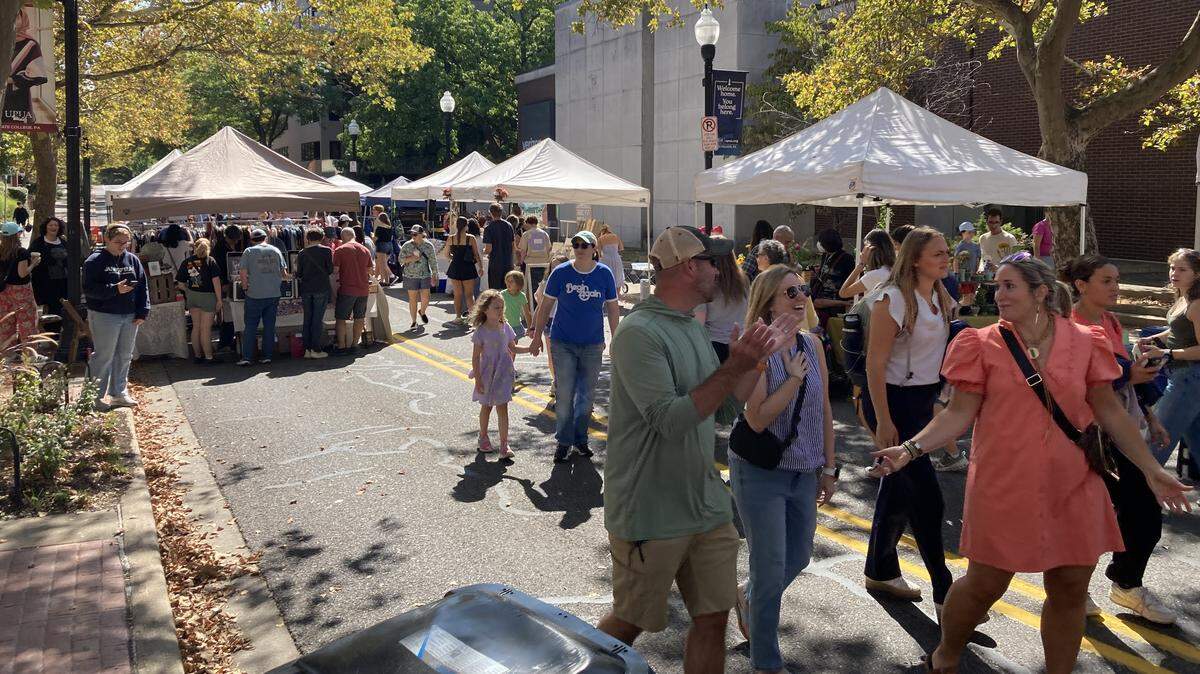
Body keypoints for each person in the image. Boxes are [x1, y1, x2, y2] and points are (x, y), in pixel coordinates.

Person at [871, 255, 1192, 674]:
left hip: (1075, 481)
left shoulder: (1086, 340)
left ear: (1040, 292)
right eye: (998, 286)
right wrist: (910, 449)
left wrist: (1152, 469)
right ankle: (947, 653)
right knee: (987, 583)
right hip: (1004, 482)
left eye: (1009, 287)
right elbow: (956, 414)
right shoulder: (980, 343)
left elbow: (1110, 411)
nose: (998, 295)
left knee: (1071, 585)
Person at [600, 226, 799, 674]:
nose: (720, 270)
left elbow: (726, 408)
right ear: (690, 266)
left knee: (713, 618)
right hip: (650, 509)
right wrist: (734, 365)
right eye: (713, 261)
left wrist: (759, 357)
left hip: (705, 504)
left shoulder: (690, 326)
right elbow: (669, 420)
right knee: (629, 624)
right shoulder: (638, 332)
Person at [731, 264, 837, 672]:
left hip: (803, 472)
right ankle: (766, 662)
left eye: (803, 289)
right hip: (760, 473)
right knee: (771, 569)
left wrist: (830, 467)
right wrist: (791, 380)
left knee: (798, 557)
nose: (800, 296)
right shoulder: (757, 346)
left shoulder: (813, 344)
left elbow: (825, 407)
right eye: (790, 291)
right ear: (769, 301)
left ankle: (749, 593)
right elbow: (756, 419)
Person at [1063, 255, 1176, 624]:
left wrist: (1149, 414)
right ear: (1081, 285)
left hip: (1122, 429)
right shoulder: (1070, 324)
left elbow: (1125, 375)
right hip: (1090, 435)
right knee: (1091, 517)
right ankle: (1076, 590)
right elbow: (1080, 384)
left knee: (1142, 513)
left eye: (1117, 280)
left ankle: (1125, 583)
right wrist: (1129, 377)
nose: (1115, 287)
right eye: (1107, 280)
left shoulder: (1110, 321)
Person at [861, 227, 956, 608]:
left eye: (947, 251)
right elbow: (874, 364)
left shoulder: (940, 295)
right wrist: (883, 420)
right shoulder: (892, 299)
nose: (946, 258)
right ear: (915, 258)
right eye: (938, 253)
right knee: (927, 499)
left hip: (920, 402)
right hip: (893, 403)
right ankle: (945, 590)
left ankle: (880, 571)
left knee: (898, 492)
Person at [529, 230, 619, 463]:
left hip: (592, 344)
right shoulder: (560, 273)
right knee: (565, 393)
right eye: (576, 244)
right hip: (563, 342)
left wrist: (616, 339)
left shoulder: (604, 274)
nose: (579, 248)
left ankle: (580, 439)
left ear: (594, 250)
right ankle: (563, 441)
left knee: (586, 396)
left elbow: (612, 309)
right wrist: (537, 336)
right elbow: (545, 307)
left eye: (585, 245)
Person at [1143, 249, 1200, 484]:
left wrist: (1166, 353)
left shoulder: (1197, 304)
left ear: (1197, 274)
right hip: (1183, 376)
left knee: (1157, 437)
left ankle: (1139, 491)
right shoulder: (1184, 298)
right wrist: (1155, 339)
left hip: (1189, 378)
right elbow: (1177, 330)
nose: (1174, 273)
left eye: (1181, 269)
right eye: (1172, 268)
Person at [82, 225, 149, 409]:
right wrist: (114, 289)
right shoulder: (94, 261)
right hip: (104, 314)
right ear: (107, 240)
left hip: (130, 314)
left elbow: (142, 286)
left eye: (126, 242)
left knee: (125, 355)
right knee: (104, 356)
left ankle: (119, 392)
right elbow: (89, 290)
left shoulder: (132, 259)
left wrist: (143, 310)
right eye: (118, 242)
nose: (122, 246)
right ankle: (92, 397)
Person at [469, 289, 533, 460]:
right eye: (496, 307)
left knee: (503, 407)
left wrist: (529, 348)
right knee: (487, 407)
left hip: (504, 373)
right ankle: (483, 437)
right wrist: (478, 380)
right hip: (487, 373)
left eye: (501, 307)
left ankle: (504, 444)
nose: (500, 310)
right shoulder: (481, 331)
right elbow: (475, 358)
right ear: (485, 309)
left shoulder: (505, 326)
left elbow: (512, 347)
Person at [237, 228, 289, 366]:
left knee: (251, 326)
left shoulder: (248, 252)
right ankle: (267, 356)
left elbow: (243, 272)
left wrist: (245, 287)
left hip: (254, 294)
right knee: (269, 326)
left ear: (252, 240)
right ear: (265, 238)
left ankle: (247, 357)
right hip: (273, 294)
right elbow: (284, 274)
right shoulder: (276, 250)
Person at [694, 244, 748, 363]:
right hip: (740, 342)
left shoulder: (706, 286)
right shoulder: (743, 282)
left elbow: (698, 324)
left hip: (713, 346)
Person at [175, 238, 222, 364]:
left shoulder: (187, 261)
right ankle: (209, 357)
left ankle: (198, 356)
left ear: (194, 247)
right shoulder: (210, 261)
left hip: (193, 296)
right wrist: (219, 299)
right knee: (206, 329)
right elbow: (216, 282)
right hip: (208, 296)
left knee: (196, 327)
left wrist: (189, 291)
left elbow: (180, 284)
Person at [333, 227, 373, 353]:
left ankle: (342, 346)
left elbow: (335, 271)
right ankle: (354, 345)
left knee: (341, 318)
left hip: (347, 289)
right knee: (359, 317)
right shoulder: (365, 250)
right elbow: (370, 270)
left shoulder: (340, 250)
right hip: (363, 289)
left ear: (343, 237)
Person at [294, 227, 333, 359]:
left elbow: (298, 273)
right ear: (322, 237)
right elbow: (330, 270)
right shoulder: (327, 251)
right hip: (321, 288)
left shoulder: (302, 253)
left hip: (306, 288)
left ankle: (307, 349)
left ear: (308, 238)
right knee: (317, 320)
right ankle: (315, 349)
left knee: (307, 320)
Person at [0, 221, 38, 351]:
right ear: (16, 234)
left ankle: (7, 355)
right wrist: (33, 264)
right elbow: (22, 274)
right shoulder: (21, 252)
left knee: (6, 324)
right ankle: (30, 354)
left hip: (4, 291)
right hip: (21, 291)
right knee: (27, 323)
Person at [442, 216, 484, 324]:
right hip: (468, 267)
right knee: (469, 295)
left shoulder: (451, 238)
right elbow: (476, 255)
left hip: (455, 267)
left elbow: (446, 254)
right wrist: (481, 267)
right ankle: (472, 317)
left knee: (457, 294)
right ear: (466, 226)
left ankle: (458, 317)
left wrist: (454, 258)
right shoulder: (471, 238)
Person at [810, 228, 854, 326]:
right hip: (820, 299)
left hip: (835, 302)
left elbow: (851, 279)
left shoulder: (847, 259)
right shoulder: (825, 255)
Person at [211, 224, 245, 353]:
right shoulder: (219, 248)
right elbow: (217, 269)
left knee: (233, 313)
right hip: (225, 284)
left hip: (235, 282)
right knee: (229, 314)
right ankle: (226, 341)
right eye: (235, 239)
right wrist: (222, 284)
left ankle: (230, 340)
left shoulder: (233, 245)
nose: (237, 241)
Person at [398, 225, 438, 331]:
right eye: (412, 234)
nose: (413, 236)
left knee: (426, 298)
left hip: (425, 275)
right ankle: (414, 321)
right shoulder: (407, 245)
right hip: (410, 275)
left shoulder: (429, 246)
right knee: (413, 299)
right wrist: (412, 258)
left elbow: (433, 261)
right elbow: (400, 260)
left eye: (415, 234)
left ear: (421, 234)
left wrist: (435, 275)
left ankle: (422, 311)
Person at [839, 228, 895, 301]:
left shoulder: (875, 275)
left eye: (865, 247)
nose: (863, 251)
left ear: (871, 249)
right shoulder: (894, 270)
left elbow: (843, 293)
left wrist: (861, 265)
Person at [28, 216, 67, 318]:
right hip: (45, 283)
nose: (53, 227)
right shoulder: (38, 242)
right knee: (49, 311)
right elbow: (29, 257)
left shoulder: (63, 242)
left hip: (63, 282)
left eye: (56, 225)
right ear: (46, 227)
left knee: (62, 308)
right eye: (50, 225)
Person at [517, 215, 552, 309]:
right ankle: (540, 306)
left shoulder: (526, 234)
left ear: (528, 223)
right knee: (542, 286)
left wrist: (520, 261)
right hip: (544, 264)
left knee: (530, 287)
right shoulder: (545, 234)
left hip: (530, 264)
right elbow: (549, 249)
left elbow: (523, 251)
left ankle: (532, 308)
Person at [482, 203, 515, 292]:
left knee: (495, 291)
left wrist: (483, 251)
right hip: (508, 262)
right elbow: (513, 245)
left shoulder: (488, 228)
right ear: (501, 212)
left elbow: (488, 249)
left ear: (490, 213)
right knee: (508, 289)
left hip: (495, 263)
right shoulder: (509, 225)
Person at [978, 207, 1018, 271]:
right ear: (987, 222)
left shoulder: (1009, 238)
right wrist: (980, 269)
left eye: (996, 222)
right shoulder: (983, 238)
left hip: (1003, 275)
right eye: (991, 222)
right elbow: (983, 258)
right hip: (986, 276)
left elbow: (1015, 260)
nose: (993, 226)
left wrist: (998, 268)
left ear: (1000, 222)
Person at [501, 270, 531, 341]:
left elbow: (527, 313)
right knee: (505, 348)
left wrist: (530, 327)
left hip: (516, 326)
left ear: (518, 284)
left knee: (513, 348)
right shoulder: (502, 294)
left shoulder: (522, 296)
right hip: (504, 326)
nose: (508, 283)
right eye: (507, 281)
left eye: (511, 281)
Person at [598, 223, 625, 291]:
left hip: (606, 259)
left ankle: (608, 295)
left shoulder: (600, 238)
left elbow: (599, 253)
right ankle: (617, 295)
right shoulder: (616, 236)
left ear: (602, 232)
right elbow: (621, 248)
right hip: (616, 258)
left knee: (606, 278)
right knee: (618, 277)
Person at [373, 212, 396, 286]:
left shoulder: (379, 228)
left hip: (381, 245)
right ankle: (386, 281)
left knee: (382, 265)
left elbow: (375, 238)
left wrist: (372, 239)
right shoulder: (390, 227)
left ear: (379, 219)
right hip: (389, 246)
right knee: (384, 264)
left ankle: (390, 278)